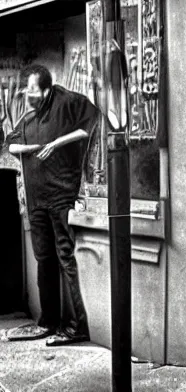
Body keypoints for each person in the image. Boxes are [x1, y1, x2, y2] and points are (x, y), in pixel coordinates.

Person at [5, 64, 99, 346]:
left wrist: (58, 142)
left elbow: (91, 123)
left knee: (65, 258)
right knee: (44, 260)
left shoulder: (67, 101)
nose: (28, 96)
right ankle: (48, 321)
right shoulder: (30, 117)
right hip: (37, 200)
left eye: (32, 91)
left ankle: (76, 326)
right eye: (26, 91)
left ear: (46, 89)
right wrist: (29, 149)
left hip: (60, 196)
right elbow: (10, 145)